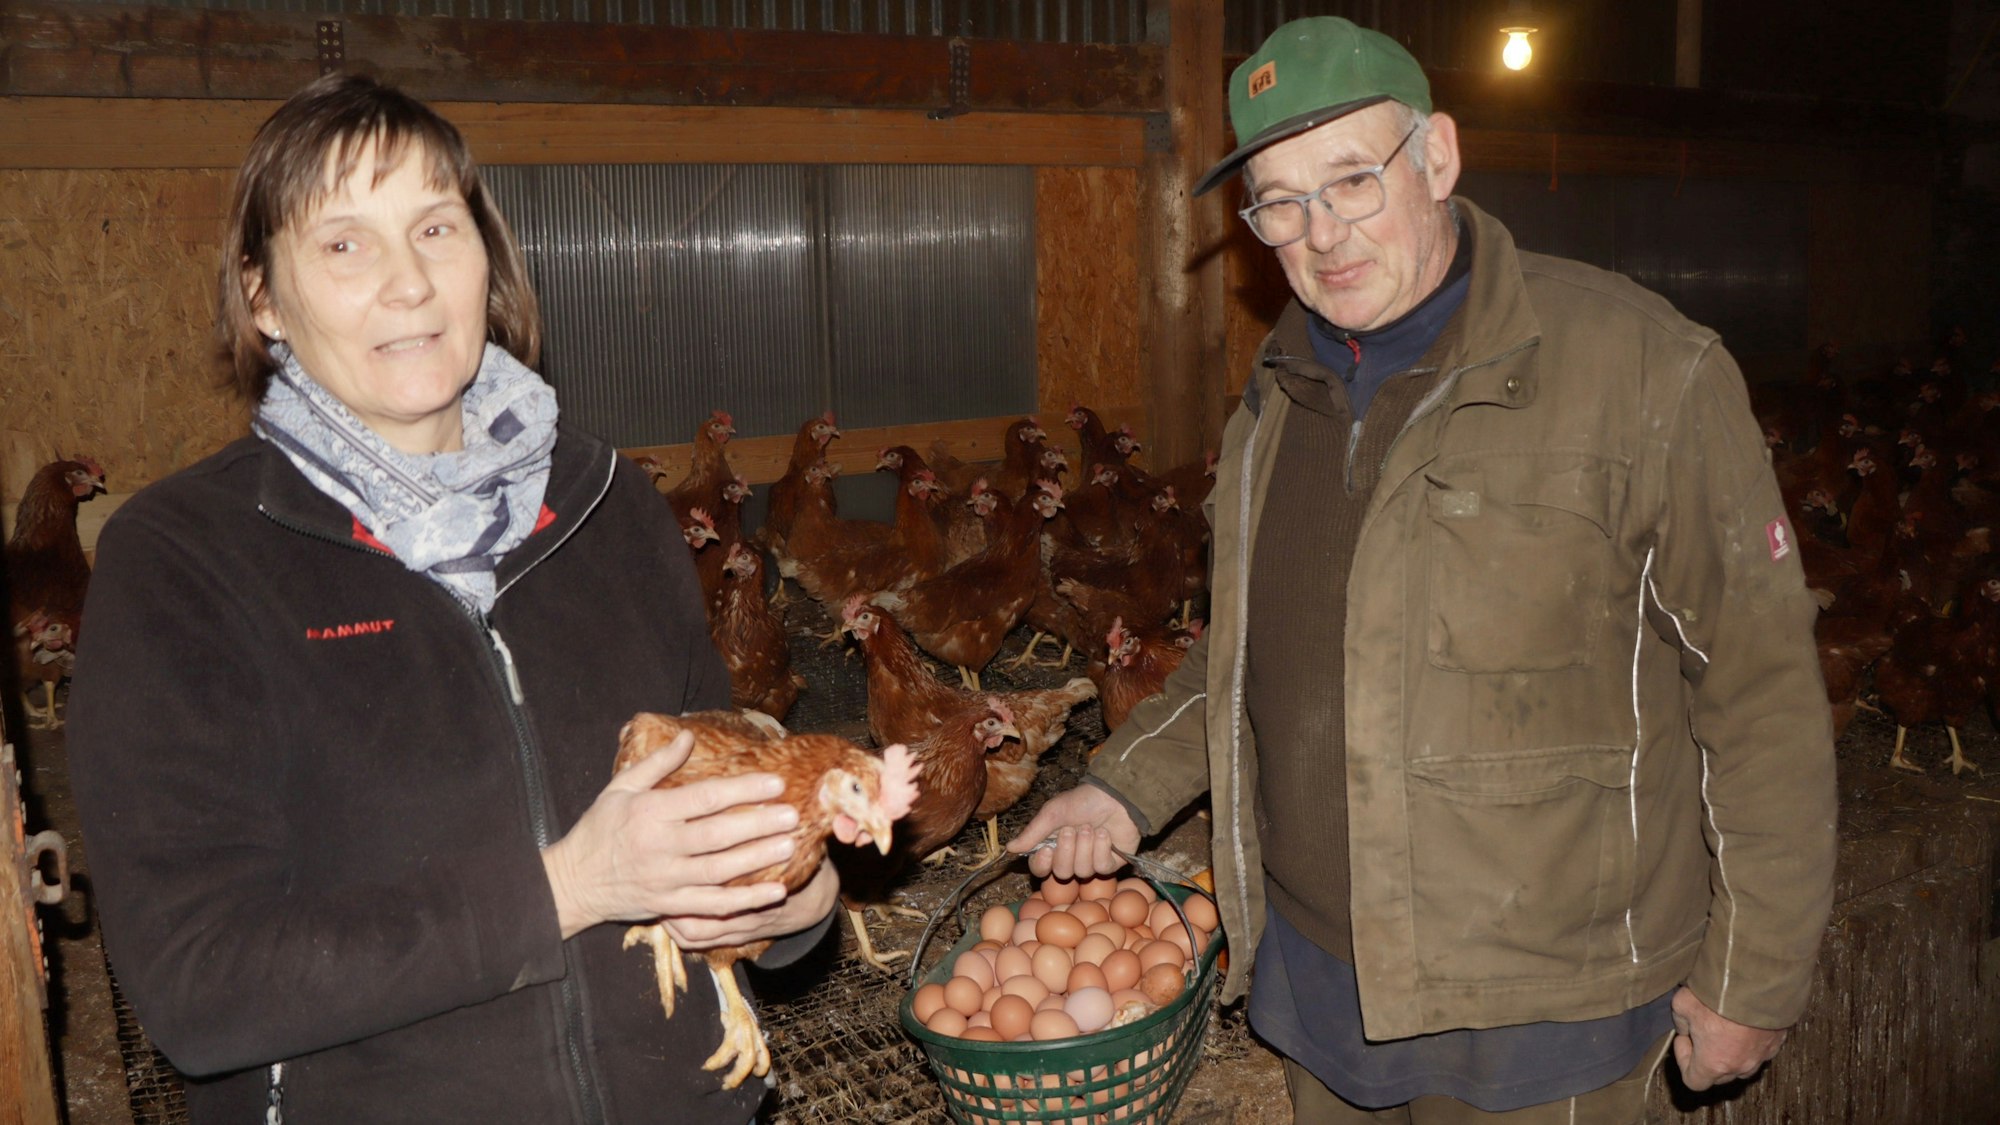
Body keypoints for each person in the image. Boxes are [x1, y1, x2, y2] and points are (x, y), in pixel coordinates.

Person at [1010, 16, 1836, 1124]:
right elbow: (1252, 646)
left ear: (1436, 158)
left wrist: (1755, 976)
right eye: (1278, 203)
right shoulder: (1277, 395)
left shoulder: (1641, 370)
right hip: (1321, 992)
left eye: (1350, 181)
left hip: (1545, 1018)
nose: (1318, 235)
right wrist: (1122, 785)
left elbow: (1760, 694)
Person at [66, 74, 836, 1123]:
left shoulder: (606, 506)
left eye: (436, 226)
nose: (409, 285)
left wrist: (793, 889)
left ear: (487, 258)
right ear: (261, 297)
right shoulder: (185, 563)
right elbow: (202, 990)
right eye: (344, 243)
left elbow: (713, 793)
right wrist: (569, 888)